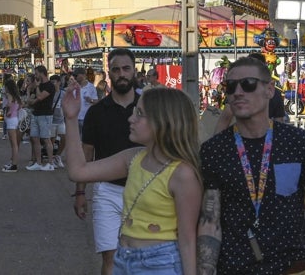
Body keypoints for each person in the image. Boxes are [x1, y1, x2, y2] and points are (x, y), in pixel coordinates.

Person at [197, 56, 305, 274]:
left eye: (248, 84)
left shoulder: (298, 142)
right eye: (231, 86)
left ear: (269, 90)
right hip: (234, 268)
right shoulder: (214, 150)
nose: (238, 92)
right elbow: (210, 222)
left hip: (291, 267)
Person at [64, 84, 202, 275]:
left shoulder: (182, 174)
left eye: (140, 113)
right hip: (123, 259)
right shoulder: (133, 158)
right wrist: (70, 119)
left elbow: (188, 240)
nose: (131, 118)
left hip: (160, 264)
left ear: (163, 121)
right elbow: (78, 171)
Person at [73, 48, 141, 275]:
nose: (121, 73)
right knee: (111, 257)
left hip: (146, 190)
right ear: (109, 74)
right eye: (116, 69)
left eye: (126, 68)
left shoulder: (148, 108)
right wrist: (80, 192)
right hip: (107, 193)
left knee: (140, 256)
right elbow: (86, 153)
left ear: (135, 71)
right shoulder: (96, 112)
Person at [213, 52, 286, 135]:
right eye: (231, 84)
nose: (238, 93)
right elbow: (280, 121)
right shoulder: (275, 93)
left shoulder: (299, 140)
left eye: (250, 83)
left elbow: (225, 118)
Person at [26, 65, 55, 171]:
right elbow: (31, 101)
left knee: (46, 138)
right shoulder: (38, 85)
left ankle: (51, 163)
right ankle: (38, 162)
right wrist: (30, 91)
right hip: (36, 114)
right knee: (35, 138)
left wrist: (37, 87)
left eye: (36, 73)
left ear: (42, 73)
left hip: (45, 114)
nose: (35, 75)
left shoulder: (49, 86)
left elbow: (40, 97)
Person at [1, 79, 23, 173]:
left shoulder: (9, 95)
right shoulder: (16, 96)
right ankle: (13, 162)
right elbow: (20, 106)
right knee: (14, 144)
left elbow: (9, 104)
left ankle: (14, 164)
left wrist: (9, 111)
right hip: (15, 119)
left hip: (11, 120)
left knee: (13, 144)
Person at [73, 66, 98, 136]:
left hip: (86, 118)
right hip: (75, 118)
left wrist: (91, 100)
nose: (75, 77)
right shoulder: (74, 86)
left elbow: (97, 101)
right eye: (74, 75)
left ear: (83, 75)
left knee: (85, 138)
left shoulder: (91, 87)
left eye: (76, 75)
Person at [49, 74, 66, 169]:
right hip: (51, 120)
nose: (52, 84)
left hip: (61, 120)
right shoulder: (49, 93)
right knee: (51, 140)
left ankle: (58, 156)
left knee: (64, 138)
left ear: (59, 82)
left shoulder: (63, 93)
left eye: (54, 82)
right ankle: (51, 160)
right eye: (51, 82)